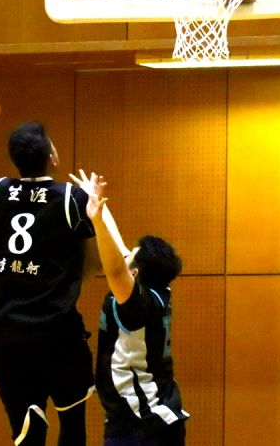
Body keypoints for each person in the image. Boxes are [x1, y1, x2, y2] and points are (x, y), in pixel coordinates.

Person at [0, 119, 126, 446]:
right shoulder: (70, 198)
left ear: (15, 160)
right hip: (57, 335)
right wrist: (96, 209)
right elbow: (115, 256)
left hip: (5, 334)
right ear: (52, 157)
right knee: (73, 429)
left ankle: (30, 417)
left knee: (27, 433)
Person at [71, 171, 189, 445]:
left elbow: (114, 268)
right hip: (143, 419)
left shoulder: (137, 304)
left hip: (144, 425)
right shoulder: (154, 290)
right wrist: (96, 201)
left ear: (134, 274)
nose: (125, 252)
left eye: (131, 255)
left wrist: (96, 220)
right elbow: (119, 252)